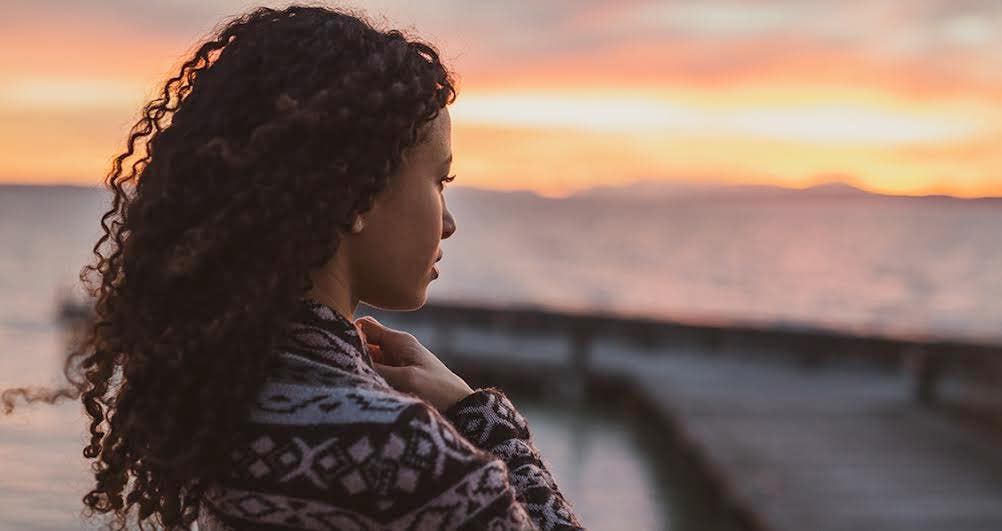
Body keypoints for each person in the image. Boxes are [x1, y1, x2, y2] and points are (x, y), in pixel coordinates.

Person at [1, 5, 584, 530]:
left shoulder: (221, 399)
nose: (449, 222)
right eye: (440, 180)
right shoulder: (411, 460)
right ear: (356, 193)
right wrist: (478, 417)